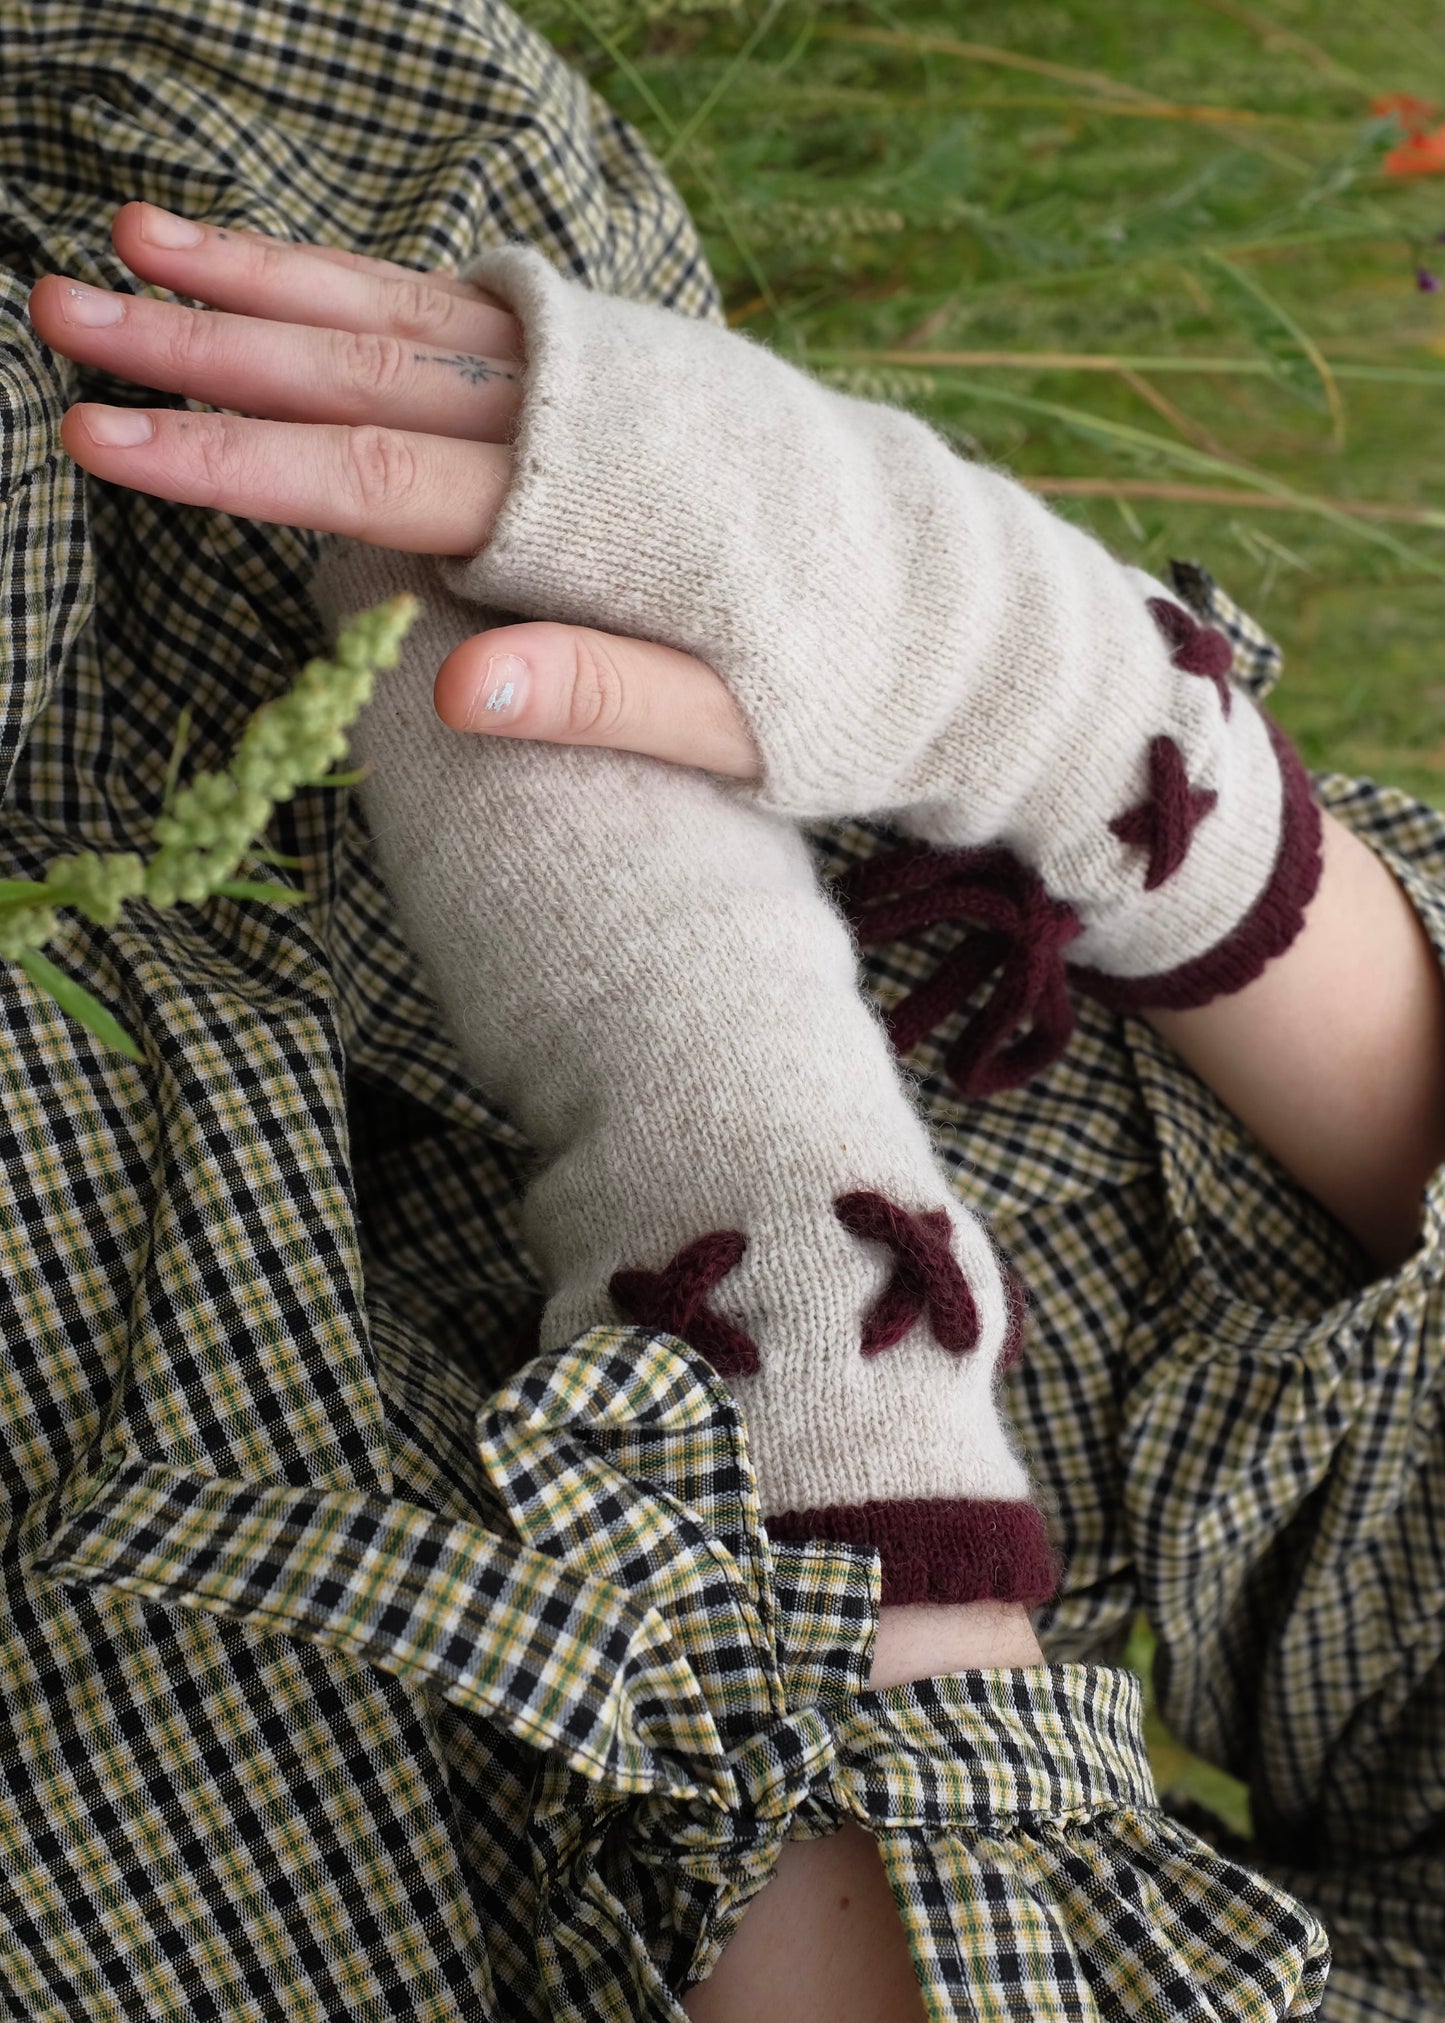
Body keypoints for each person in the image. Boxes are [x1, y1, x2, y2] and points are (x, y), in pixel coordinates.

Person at [6, 0, 1444, 2016]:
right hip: (1005, 1111)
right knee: (336, 239)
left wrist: (745, 1160)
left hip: (386, 1778)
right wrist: (1063, 700)